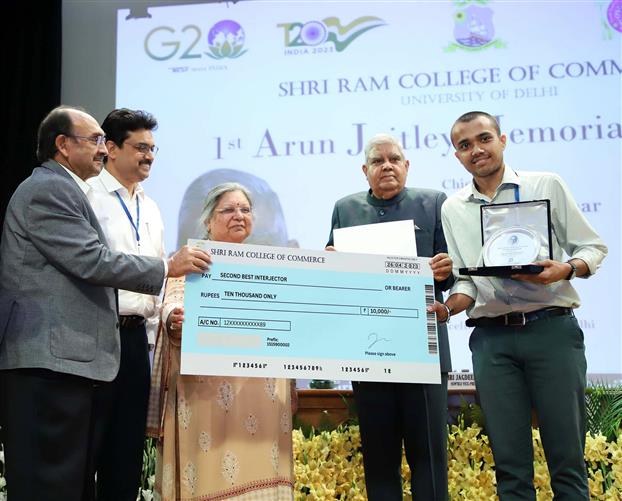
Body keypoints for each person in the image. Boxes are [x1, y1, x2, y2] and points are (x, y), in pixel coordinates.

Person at [0, 105, 211, 501]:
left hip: (90, 353)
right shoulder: (50, 189)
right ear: (62, 145)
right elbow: (90, 259)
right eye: (95, 140)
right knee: (51, 480)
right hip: (52, 358)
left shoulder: (94, 193)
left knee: (81, 476)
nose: (101, 149)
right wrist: (167, 267)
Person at [429, 111, 607, 500]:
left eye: (484, 139)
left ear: (502, 140)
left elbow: (592, 249)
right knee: (509, 469)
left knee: (568, 463)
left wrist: (564, 270)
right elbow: (466, 283)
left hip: (552, 331)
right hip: (491, 342)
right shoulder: (453, 207)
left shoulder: (546, 184)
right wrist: (444, 310)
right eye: (464, 145)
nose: (476, 150)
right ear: (456, 155)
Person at [326, 133, 453, 501]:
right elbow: (334, 274)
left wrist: (446, 268)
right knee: (379, 461)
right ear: (365, 170)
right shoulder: (344, 208)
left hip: (424, 350)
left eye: (394, 159)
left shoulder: (434, 203)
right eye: (378, 161)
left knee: (429, 457)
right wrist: (328, 264)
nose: (387, 166)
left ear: (407, 166)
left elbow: (455, 271)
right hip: (368, 351)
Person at [149, 182, 294, 501]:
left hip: (263, 396)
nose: (238, 215)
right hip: (207, 395)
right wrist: (174, 319)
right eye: (228, 210)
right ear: (208, 221)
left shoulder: (270, 265)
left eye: (245, 209)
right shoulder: (191, 261)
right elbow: (172, 301)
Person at [88, 108, 164, 501]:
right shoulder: (87, 198)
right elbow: (95, 267)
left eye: (153, 148)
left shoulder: (150, 206)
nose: (149, 155)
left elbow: (158, 287)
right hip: (96, 336)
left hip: (137, 344)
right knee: (88, 452)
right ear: (111, 148)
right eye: (140, 147)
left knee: (127, 457)